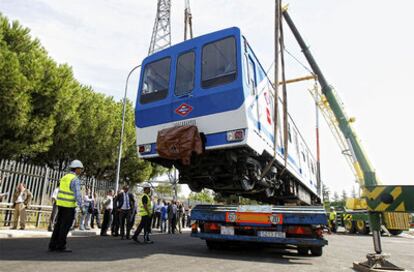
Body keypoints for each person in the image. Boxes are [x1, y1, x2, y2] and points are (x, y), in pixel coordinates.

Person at [48, 160, 84, 252]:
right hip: (69, 206)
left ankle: (53, 244)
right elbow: (77, 195)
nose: (81, 171)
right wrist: (82, 207)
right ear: (77, 169)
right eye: (80, 169)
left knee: (58, 225)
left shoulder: (64, 177)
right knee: (65, 227)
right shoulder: (75, 179)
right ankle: (61, 245)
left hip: (60, 205)